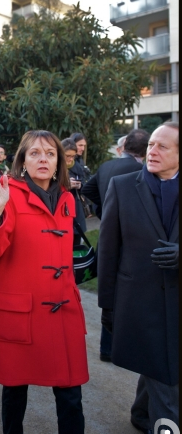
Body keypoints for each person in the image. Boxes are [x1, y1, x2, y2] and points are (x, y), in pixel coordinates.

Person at [0, 130, 88, 434]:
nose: (43, 159)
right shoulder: (10, 195)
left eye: (50, 154)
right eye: (34, 153)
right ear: (22, 160)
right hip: (22, 312)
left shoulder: (66, 197)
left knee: (71, 396)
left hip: (62, 311)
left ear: (59, 161)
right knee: (15, 393)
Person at [97, 122, 179, 434]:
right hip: (140, 301)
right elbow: (108, 249)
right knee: (169, 382)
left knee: (160, 367)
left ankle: (141, 413)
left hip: (176, 301)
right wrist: (108, 306)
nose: (153, 152)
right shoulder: (122, 186)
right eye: (151, 145)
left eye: (163, 147)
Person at [82, 128, 150, 365]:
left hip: (107, 237)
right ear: (144, 150)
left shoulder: (107, 166)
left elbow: (87, 189)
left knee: (108, 289)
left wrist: (104, 211)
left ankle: (107, 348)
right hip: (130, 240)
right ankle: (123, 348)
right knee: (127, 293)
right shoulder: (142, 170)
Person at [61, 138, 86, 245]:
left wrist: (80, 186)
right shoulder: (53, 167)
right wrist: (64, 185)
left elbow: (84, 186)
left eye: (73, 156)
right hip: (61, 210)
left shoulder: (77, 166)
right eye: (68, 156)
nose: (71, 159)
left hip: (76, 209)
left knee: (76, 245)